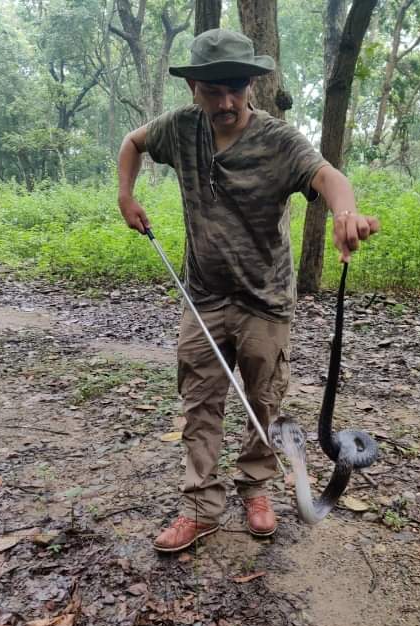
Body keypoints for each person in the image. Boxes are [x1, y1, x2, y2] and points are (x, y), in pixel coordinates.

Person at [117, 28, 380, 552]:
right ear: (194, 88)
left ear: (252, 84)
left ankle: (256, 488)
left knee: (262, 402)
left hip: (265, 302)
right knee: (201, 404)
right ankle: (200, 506)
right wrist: (125, 196)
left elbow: (328, 177)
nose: (226, 100)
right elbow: (133, 142)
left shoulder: (278, 140)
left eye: (235, 86)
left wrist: (345, 213)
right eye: (212, 89)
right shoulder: (180, 129)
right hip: (205, 298)